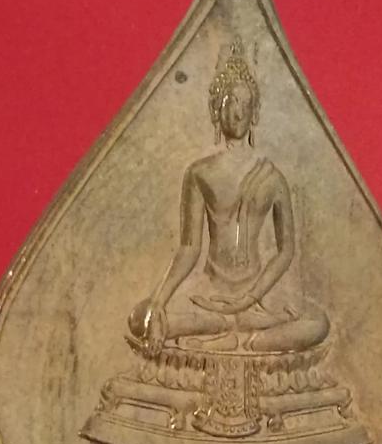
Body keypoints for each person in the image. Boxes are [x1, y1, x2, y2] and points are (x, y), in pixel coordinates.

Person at [128, 39, 329, 357]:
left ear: (255, 113)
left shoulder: (272, 177)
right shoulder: (199, 172)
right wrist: (158, 301)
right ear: (216, 111)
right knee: (141, 317)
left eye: (245, 104)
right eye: (230, 102)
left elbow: (286, 249)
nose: (237, 111)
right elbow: (189, 248)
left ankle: (240, 340)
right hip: (210, 289)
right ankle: (234, 332)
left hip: (258, 294)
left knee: (317, 324)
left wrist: (249, 297)